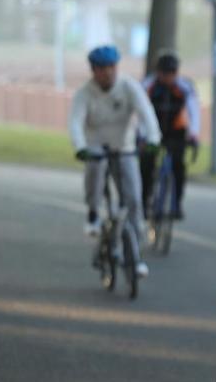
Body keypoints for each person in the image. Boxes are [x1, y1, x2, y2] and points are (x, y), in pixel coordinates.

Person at [69, 44, 161, 277]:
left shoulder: (129, 86)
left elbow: (146, 112)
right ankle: (92, 212)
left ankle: (136, 256)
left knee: (133, 198)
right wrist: (80, 147)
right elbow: (75, 121)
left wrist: (153, 139)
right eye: (101, 68)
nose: (107, 72)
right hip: (95, 146)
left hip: (124, 147)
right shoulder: (84, 93)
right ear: (93, 71)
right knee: (95, 175)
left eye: (111, 67)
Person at [140, 51, 200, 220]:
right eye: (165, 73)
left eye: (172, 73)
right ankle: (144, 202)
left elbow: (194, 111)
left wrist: (194, 134)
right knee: (146, 164)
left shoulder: (185, 87)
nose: (169, 77)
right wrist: (142, 136)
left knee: (179, 166)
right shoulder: (147, 86)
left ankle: (177, 205)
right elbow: (140, 113)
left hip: (176, 132)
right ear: (158, 72)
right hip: (152, 131)